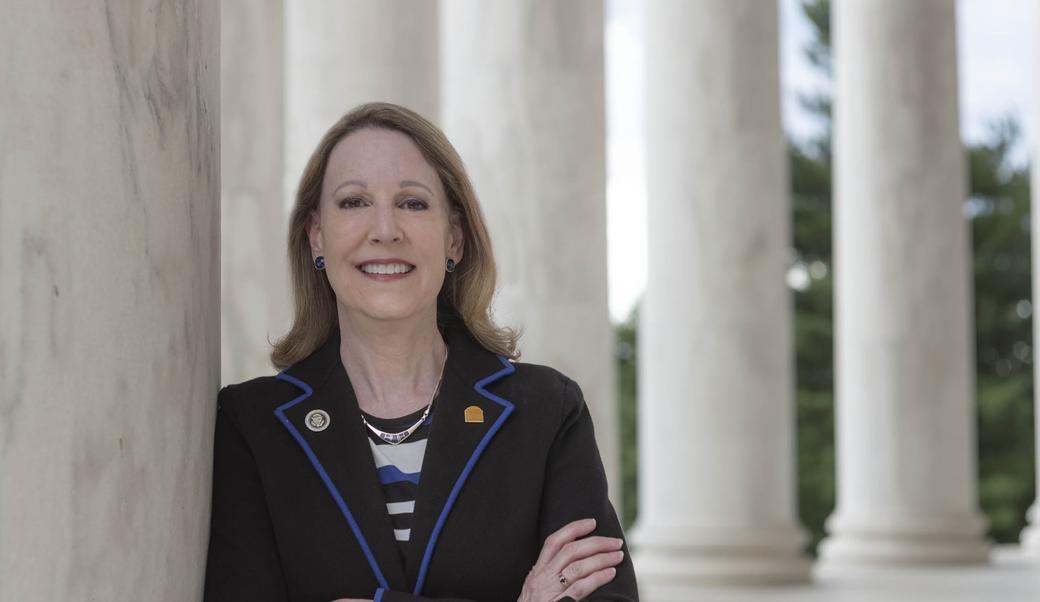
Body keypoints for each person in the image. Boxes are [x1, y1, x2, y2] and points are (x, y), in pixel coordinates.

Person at [204, 102, 638, 601]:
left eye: (412, 203)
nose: (385, 229)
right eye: (353, 203)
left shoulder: (545, 411)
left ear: (454, 236)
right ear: (316, 236)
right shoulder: (253, 425)